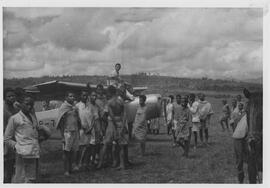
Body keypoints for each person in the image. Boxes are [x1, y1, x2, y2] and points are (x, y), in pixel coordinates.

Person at [4, 94, 50, 183]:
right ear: (20, 104)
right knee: (22, 177)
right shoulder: (15, 118)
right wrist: (17, 147)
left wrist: (43, 135)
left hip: (34, 152)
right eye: (27, 104)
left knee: (33, 177)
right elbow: (6, 138)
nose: (29, 106)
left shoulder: (32, 117)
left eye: (31, 104)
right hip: (22, 154)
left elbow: (33, 134)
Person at [97, 86, 129, 170]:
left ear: (110, 93)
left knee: (105, 143)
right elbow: (125, 114)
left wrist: (115, 126)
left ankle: (100, 163)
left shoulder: (109, 102)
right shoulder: (121, 100)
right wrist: (122, 126)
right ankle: (122, 164)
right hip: (121, 122)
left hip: (112, 123)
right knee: (121, 145)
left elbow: (111, 115)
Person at [56, 91, 81, 176]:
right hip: (67, 132)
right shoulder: (64, 107)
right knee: (66, 152)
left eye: (73, 96)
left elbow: (78, 120)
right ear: (66, 97)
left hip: (75, 131)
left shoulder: (74, 107)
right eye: (70, 96)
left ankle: (70, 168)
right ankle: (66, 170)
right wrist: (62, 136)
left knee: (73, 151)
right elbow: (61, 123)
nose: (72, 98)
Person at [3, 88, 19, 183]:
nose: (11, 97)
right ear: (5, 98)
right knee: (7, 164)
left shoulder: (15, 108)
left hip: (14, 139)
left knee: (12, 164)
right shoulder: (4, 110)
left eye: (13, 95)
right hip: (6, 139)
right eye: (9, 96)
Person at [232, 102, 248, 183]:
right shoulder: (239, 114)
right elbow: (235, 123)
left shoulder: (245, 114)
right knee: (240, 158)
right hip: (239, 136)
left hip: (246, 136)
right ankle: (240, 178)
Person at [75, 90, 90, 170]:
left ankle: (85, 164)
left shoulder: (89, 105)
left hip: (89, 130)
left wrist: (90, 128)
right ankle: (78, 164)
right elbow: (77, 118)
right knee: (80, 148)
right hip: (81, 129)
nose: (85, 97)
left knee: (87, 147)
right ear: (80, 96)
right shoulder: (77, 106)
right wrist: (82, 127)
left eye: (86, 95)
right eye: (83, 95)